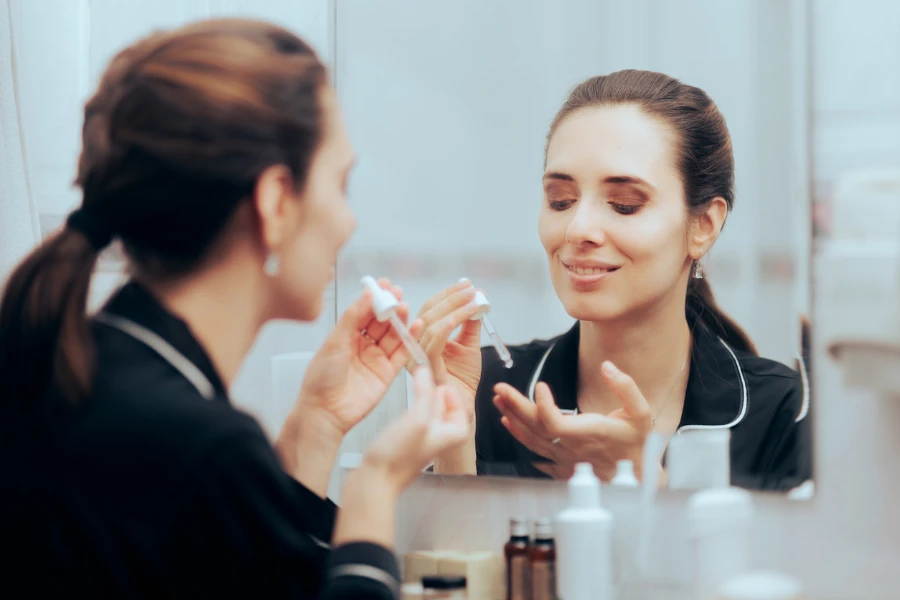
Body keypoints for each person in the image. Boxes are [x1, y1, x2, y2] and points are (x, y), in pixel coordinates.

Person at [0, 19, 469, 599]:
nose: (348, 222)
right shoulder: (200, 447)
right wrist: (373, 491)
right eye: (340, 185)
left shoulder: (81, 372)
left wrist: (315, 427)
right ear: (275, 201)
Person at [414, 70, 810, 491]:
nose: (578, 229)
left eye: (624, 205)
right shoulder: (490, 391)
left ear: (703, 226)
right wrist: (454, 442)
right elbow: (456, 554)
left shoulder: (783, 412)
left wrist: (647, 485)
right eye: (560, 201)